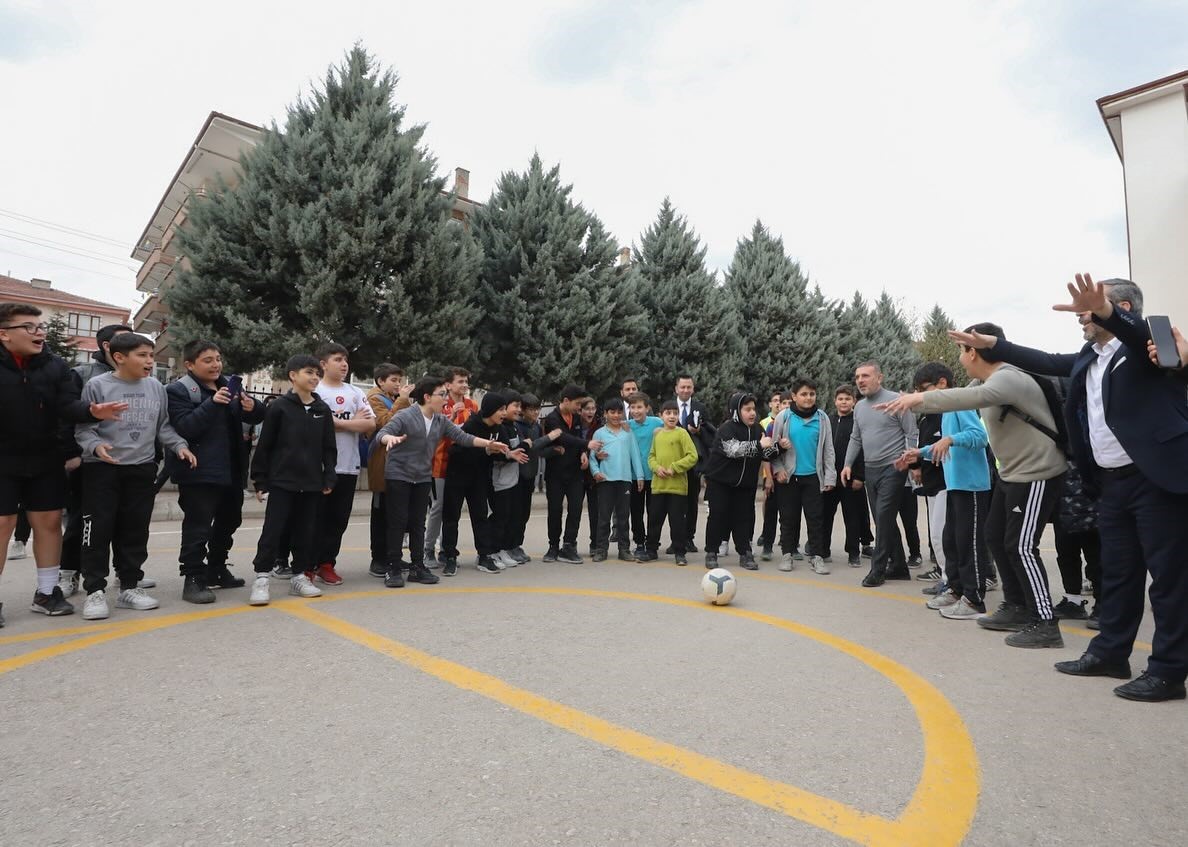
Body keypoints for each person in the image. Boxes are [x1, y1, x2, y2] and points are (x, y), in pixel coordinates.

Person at [953, 275, 1188, 701]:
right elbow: (1045, 359)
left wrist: (1107, 313)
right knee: (1117, 574)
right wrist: (994, 346)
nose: (1081, 315)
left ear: (1122, 310)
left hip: (1156, 480)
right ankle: (1110, 653)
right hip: (1113, 483)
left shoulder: (1150, 346)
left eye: (1091, 309)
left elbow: (1140, 335)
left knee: (1169, 580)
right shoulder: (1089, 355)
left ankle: (1169, 672)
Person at [879, 323, 1067, 648]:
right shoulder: (987, 379)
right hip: (1012, 474)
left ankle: (1045, 621)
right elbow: (967, 397)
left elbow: (970, 398)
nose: (961, 358)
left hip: (1037, 472)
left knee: (1021, 546)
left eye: (963, 350)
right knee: (995, 537)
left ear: (974, 351)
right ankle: (1016, 605)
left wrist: (917, 399)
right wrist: (921, 446)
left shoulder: (1008, 376)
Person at [0, 303, 127, 625]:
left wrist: (92, 412)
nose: (39, 332)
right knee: (2, 525)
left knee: (50, 521)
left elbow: (68, 406)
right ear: (4, 334)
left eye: (40, 326)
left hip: (45, 457)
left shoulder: (55, 366)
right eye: (28, 327)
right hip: (3, 458)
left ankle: (46, 593)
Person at [75, 333, 196, 620]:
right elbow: (83, 428)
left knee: (135, 529)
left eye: (151, 355)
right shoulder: (97, 386)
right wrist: (95, 446)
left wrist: (179, 446)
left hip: (141, 468)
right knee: (98, 530)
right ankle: (94, 591)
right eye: (143, 355)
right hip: (102, 469)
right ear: (119, 357)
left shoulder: (155, 387)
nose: (150, 361)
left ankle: (129, 586)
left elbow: (163, 427)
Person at [375, 376, 509, 585]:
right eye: (441, 394)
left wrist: (489, 444)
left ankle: (417, 566)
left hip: (422, 476)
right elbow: (381, 434)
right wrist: (388, 439)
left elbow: (463, 437)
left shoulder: (440, 420)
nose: (445, 399)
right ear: (427, 397)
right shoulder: (406, 416)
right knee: (398, 521)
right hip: (399, 475)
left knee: (418, 523)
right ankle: (392, 568)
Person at [166, 339, 266, 603]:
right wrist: (213, 404)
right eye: (207, 360)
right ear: (189, 364)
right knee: (198, 526)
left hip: (231, 469)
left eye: (218, 358)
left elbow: (258, 415)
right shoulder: (179, 391)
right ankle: (193, 578)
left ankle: (217, 569)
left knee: (230, 520)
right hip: (199, 471)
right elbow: (185, 427)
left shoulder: (228, 386)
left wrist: (252, 407)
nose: (216, 364)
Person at [896, 362, 992, 620]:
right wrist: (920, 452)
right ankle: (956, 589)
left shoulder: (961, 405)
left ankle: (974, 600)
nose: (922, 397)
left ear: (942, 385)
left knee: (969, 544)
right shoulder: (947, 410)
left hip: (972, 486)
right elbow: (940, 444)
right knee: (951, 541)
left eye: (924, 390)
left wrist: (951, 439)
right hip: (954, 485)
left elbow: (979, 437)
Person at [246, 355, 337, 607]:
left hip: (311, 484)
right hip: (281, 482)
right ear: (293, 375)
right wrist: (260, 481)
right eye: (309, 372)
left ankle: (300, 575)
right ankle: (262, 577)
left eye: (317, 373)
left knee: (305, 531)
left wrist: (329, 475)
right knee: (273, 531)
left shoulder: (322, 410)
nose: (315, 377)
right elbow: (265, 447)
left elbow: (329, 448)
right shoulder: (279, 408)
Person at [57, 322, 133, 597]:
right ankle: (68, 573)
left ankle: (126, 577)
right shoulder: (83, 374)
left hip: (127, 464)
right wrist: (73, 454)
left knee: (125, 523)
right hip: (89, 461)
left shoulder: (138, 376)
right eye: (127, 340)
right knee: (82, 520)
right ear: (107, 347)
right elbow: (69, 416)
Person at [841, 362, 919, 587]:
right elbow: (856, 437)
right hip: (870, 469)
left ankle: (878, 570)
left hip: (893, 468)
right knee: (882, 519)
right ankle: (899, 567)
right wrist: (847, 464)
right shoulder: (859, 407)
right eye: (857, 377)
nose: (860, 380)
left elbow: (911, 432)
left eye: (865, 376)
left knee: (883, 517)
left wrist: (909, 460)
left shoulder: (897, 401)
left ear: (880, 377)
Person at [310, 343, 375, 585]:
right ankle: (307, 564)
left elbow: (370, 425)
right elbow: (313, 423)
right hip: (318, 466)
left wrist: (336, 423)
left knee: (339, 519)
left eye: (345, 359)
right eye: (338, 359)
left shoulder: (356, 392)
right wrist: (348, 422)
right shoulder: (314, 391)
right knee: (314, 518)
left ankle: (327, 564)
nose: (344, 364)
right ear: (323, 364)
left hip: (348, 466)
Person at [702, 392, 779, 571]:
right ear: (736, 411)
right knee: (718, 516)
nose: (752, 413)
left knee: (744, 518)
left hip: (745, 485)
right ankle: (711, 552)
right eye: (747, 409)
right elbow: (733, 450)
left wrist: (779, 448)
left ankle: (745, 552)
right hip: (720, 482)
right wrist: (760, 445)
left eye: (753, 409)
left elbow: (765, 454)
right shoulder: (726, 428)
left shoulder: (758, 429)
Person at [768, 379, 836, 574]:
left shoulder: (822, 418)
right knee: (788, 518)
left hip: (814, 477)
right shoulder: (784, 417)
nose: (808, 398)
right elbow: (774, 448)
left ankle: (817, 556)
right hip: (789, 478)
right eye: (804, 394)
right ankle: (787, 554)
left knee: (815, 518)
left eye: (812, 394)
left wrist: (830, 476)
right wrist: (778, 469)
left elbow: (828, 450)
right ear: (794, 396)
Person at [441, 392, 511, 575]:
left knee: (480, 516)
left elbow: (503, 449)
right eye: (501, 409)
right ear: (490, 410)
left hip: (479, 478)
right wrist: (486, 451)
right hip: (457, 476)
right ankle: (449, 556)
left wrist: (510, 454)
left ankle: (484, 555)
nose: (504, 413)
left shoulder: (499, 428)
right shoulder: (472, 424)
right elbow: (456, 451)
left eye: (505, 409)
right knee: (451, 517)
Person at [541, 385, 603, 564]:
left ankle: (569, 546)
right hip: (555, 474)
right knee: (555, 510)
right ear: (566, 401)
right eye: (577, 404)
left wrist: (583, 452)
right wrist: (587, 443)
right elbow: (563, 438)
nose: (579, 408)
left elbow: (576, 441)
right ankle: (553, 547)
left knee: (575, 510)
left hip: (575, 473)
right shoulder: (552, 418)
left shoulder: (576, 418)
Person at [424, 367, 478, 566]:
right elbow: (436, 431)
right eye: (460, 381)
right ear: (448, 385)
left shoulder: (473, 405)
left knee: (454, 511)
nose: (464, 385)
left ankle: (447, 550)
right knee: (437, 508)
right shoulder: (440, 404)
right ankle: (428, 550)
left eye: (466, 382)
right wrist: (452, 418)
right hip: (439, 464)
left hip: (462, 466)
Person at [365, 363, 412, 577]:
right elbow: (384, 423)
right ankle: (378, 558)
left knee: (396, 514)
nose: (398, 385)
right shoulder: (374, 398)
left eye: (399, 380)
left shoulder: (394, 400)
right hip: (382, 464)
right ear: (380, 381)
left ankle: (393, 555)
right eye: (393, 380)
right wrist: (403, 400)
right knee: (381, 513)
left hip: (399, 463)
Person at [641, 400, 699, 565]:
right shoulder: (657, 434)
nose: (672, 416)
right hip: (658, 487)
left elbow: (692, 456)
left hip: (677, 488)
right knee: (654, 520)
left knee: (677, 522)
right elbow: (651, 456)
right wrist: (656, 468)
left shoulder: (682, 433)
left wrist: (675, 467)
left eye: (675, 413)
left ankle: (680, 552)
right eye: (668, 413)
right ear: (661, 416)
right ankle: (651, 550)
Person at [588, 398, 645, 562]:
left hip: (625, 479)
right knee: (604, 517)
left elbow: (635, 455)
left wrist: (639, 476)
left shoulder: (628, 432)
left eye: (619, 412)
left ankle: (624, 549)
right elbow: (593, 457)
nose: (616, 415)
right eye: (612, 412)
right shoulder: (599, 433)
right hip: (605, 480)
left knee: (623, 516)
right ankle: (601, 549)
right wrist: (596, 472)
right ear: (605, 414)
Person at [822, 385, 871, 568]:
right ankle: (823, 551)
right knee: (825, 516)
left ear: (854, 401)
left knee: (853, 518)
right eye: (840, 398)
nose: (844, 402)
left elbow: (864, 450)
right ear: (835, 401)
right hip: (830, 479)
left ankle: (853, 553)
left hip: (852, 480)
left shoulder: (858, 422)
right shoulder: (828, 421)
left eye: (847, 399)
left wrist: (860, 476)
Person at [673, 374, 716, 553]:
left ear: (693, 389)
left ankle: (688, 538)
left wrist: (698, 432)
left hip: (693, 464)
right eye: (682, 387)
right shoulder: (669, 408)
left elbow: (711, 434)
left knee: (691, 503)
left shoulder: (700, 408)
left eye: (688, 387)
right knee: (675, 504)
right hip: (673, 463)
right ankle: (676, 540)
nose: (685, 390)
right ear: (676, 388)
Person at [627, 393, 664, 558]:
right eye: (632, 407)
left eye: (639, 407)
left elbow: (674, 430)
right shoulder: (626, 426)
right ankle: (639, 542)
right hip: (634, 477)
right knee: (636, 511)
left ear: (647, 408)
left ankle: (652, 543)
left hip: (655, 475)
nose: (636, 411)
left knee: (654, 512)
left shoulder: (657, 423)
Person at [756, 390, 785, 560]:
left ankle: (790, 545)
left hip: (792, 476)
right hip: (773, 475)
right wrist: (768, 477)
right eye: (781, 402)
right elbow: (766, 453)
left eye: (789, 402)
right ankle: (767, 545)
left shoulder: (797, 422)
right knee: (771, 511)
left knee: (789, 514)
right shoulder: (769, 425)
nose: (784, 406)